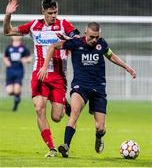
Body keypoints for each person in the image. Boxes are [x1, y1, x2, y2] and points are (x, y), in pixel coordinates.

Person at [37, 22, 136, 158]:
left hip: (99, 87)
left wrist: (127, 67)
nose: (94, 40)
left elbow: (111, 55)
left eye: (96, 37)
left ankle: (99, 137)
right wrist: (44, 65)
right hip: (81, 86)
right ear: (85, 33)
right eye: (91, 37)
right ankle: (66, 146)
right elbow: (54, 46)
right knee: (75, 112)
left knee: (100, 127)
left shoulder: (102, 44)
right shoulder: (75, 43)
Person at [3, 0, 80, 157]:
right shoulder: (34, 25)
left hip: (59, 76)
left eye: (55, 12)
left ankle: (63, 103)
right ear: (43, 12)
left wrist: (68, 39)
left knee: (57, 117)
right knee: (39, 109)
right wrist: (8, 15)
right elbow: (7, 31)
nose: (53, 16)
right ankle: (51, 148)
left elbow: (77, 39)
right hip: (40, 74)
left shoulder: (63, 24)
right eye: (50, 13)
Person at [3, 36, 32, 111]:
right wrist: (6, 62)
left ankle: (16, 104)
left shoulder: (23, 48)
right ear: (12, 37)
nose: (15, 36)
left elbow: (29, 58)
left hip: (19, 70)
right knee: (10, 91)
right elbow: (5, 57)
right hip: (10, 70)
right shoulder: (9, 47)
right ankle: (17, 96)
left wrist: (25, 60)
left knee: (16, 89)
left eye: (17, 35)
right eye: (14, 35)